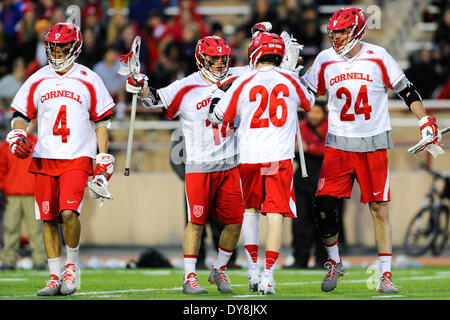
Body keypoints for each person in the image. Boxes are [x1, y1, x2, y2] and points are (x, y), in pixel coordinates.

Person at [302, 7, 444, 294]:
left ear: (358, 30)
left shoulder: (378, 56)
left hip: (373, 142)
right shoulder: (325, 59)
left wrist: (425, 120)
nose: (337, 37)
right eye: (335, 32)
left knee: (379, 209)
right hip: (338, 143)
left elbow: (407, 91)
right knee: (324, 206)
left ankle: (386, 276)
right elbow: (307, 94)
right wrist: (290, 78)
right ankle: (334, 261)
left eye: (342, 31)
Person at [126, 35, 245, 295]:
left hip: (230, 163)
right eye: (213, 59)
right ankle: (189, 277)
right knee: (196, 222)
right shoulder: (187, 85)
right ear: (201, 59)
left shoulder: (239, 76)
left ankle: (220, 268)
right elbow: (155, 99)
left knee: (235, 223)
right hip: (200, 165)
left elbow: (263, 70)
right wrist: (142, 86)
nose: (218, 64)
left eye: (222, 59)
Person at [6, 22, 115, 296]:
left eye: (62, 46)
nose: (56, 51)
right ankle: (54, 276)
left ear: (74, 47)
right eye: (53, 46)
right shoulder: (37, 78)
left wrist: (102, 156)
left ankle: (72, 266)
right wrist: (17, 134)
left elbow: (102, 120)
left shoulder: (89, 78)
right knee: (47, 219)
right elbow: (21, 115)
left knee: (68, 213)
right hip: (45, 156)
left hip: (77, 156)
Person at [209, 32, 314, 295]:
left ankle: (253, 269)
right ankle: (268, 275)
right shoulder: (288, 78)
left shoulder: (244, 80)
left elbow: (220, 114)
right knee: (276, 214)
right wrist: (293, 72)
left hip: (249, 156)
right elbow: (309, 103)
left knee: (250, 210)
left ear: (255, 51)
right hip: (277, 155)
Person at [0, 120, 46, 270]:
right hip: (12, 193)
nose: (27, 126)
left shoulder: (39, 143)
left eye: (30, 123)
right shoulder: (6, 146)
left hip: (33, 193)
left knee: (36, 229)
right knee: (10, 228)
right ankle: (8, 260)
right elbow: (1, 169)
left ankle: (40, 260)